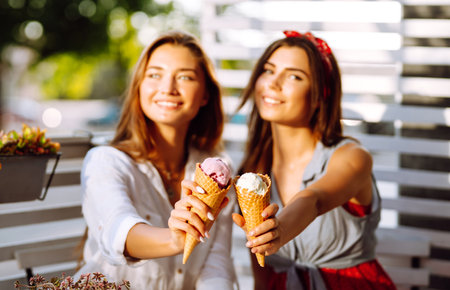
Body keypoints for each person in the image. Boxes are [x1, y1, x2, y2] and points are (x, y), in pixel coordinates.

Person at [232, 30, 396, 290]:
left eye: (294, 76)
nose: (273, 84)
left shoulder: (352, 156)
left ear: (320, 95)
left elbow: (314, 199)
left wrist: (279, 231)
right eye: (268, 70)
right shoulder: (252, 174)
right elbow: (262, 274)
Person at [76, 31, 237, 290]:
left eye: (185, 76)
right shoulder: (105, 161)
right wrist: (175, 240)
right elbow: (120, 232)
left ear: (206, 94)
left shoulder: (218, 171)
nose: (168, 88)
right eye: (154, 75)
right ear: (139, 86)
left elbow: (216, 263)